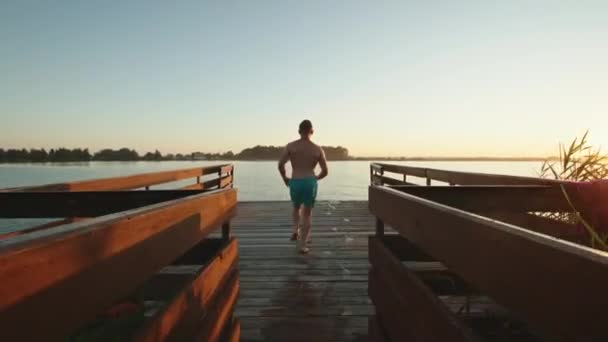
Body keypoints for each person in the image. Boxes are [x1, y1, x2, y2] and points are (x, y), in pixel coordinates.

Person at [278, 120, 328, 254]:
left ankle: (295, 231)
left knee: (296, 207)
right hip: (309, 181)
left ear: (299, 131)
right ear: (312, 131)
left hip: (295, 180)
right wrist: (315, 178)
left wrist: (285, 178)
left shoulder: (291, 146)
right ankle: (302, 245)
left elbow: (280, 164)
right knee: (307, 213)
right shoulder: (317, 149)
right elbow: (325, 171)